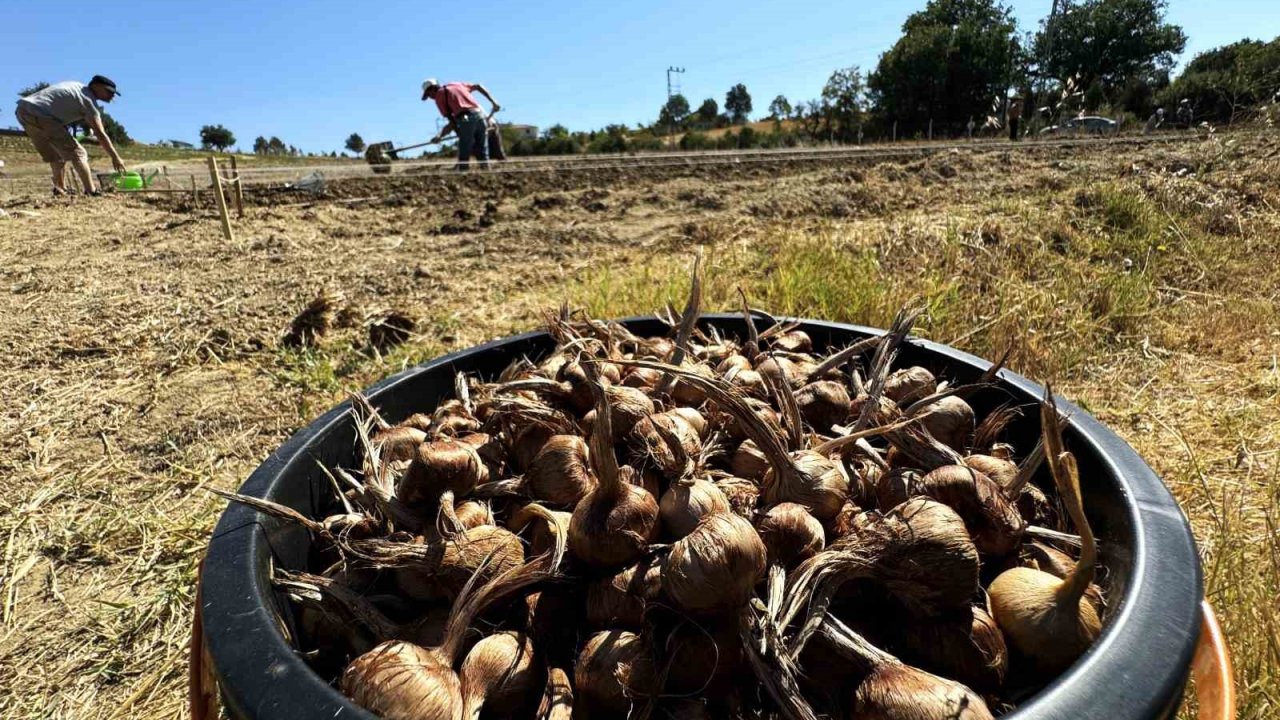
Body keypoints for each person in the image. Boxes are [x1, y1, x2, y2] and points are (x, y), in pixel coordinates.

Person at [15, 75, 127, 195]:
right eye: (109, 91)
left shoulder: (76, 86)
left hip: (23, 111)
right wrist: (115, 157)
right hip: (41, 114)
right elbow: (100, 133)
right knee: (79, 153)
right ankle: (91, 191)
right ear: (96, 86)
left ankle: (60, 188)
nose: (112, 96)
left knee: (56, 154)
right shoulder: (88, 100)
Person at [421, 78, 501, 170]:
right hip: (480, 116)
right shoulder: (456, 84)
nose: (430, 98)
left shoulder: (439, 96)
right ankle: (486, 171)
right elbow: (478, 86)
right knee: (482, 149)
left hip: (465, 118)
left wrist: (441, 136)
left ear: (433, 88)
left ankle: (463, 173)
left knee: (464, 150)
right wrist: (493, 102)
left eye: (428, 94)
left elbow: (452, 122)